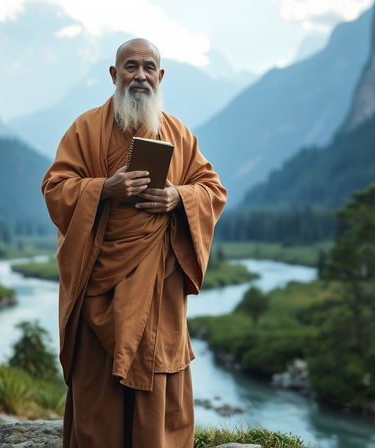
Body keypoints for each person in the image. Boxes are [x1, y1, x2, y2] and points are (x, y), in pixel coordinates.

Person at [41, 37, 227, 448]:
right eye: (130, 66)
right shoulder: (85, 128)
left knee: (157, 381)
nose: (139, 75)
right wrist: (104, 189)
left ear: (160, 77)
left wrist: (177, 197)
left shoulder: (178, 133)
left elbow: (212, 189)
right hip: (97, 286)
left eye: (148, 68)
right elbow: (55, 188)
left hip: (159, 290)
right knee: (97, 398)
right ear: (114, 74)